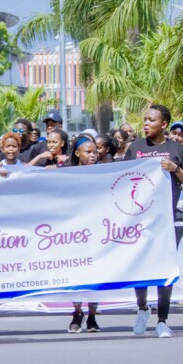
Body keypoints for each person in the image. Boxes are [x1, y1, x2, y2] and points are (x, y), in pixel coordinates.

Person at [125, 105, 183, 338]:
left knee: (165, 267)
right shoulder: (135, 148)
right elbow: (122, 179)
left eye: (151, 120)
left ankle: (163, 320)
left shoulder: (176, 148)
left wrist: (175, 169)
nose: (146, 123)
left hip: (170, 216)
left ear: (164, 124)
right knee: (141, 266)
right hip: (141, 218)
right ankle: (143, 307)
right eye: (144, 119)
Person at [65, 135, 101, 334]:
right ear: (77, 153)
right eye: (88, 152)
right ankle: (77, 312)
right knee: (76, 274)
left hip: (97, 229)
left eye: (95, 151)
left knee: (96, 273)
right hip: (75, 231)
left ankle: (93, 315)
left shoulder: (105, 171)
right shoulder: (67, 173)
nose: (93, 155)